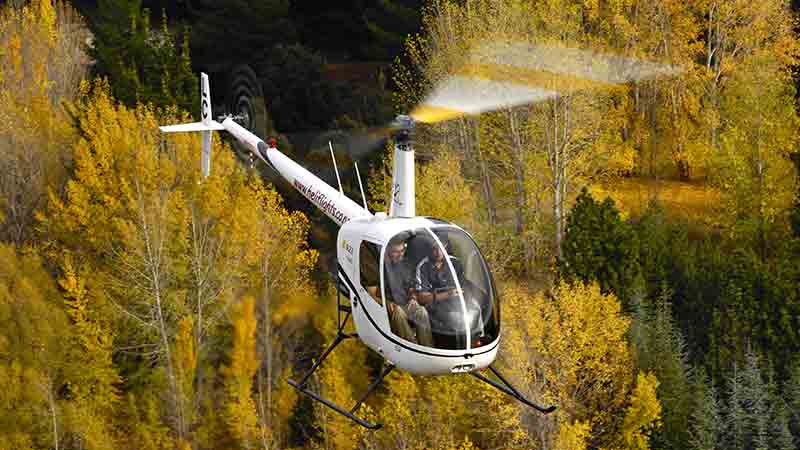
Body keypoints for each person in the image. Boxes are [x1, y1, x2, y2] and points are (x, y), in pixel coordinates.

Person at [384, 239, 433, 346]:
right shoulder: (382, 267)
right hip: (392, 305)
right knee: (398, 313)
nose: (400, 254)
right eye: (396, 252)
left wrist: (413, 297)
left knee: (422, 312)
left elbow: (411, 287)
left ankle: (428, 346)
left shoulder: (406, 264)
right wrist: (388, 303)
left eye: (402, 251)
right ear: (388, 250)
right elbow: (374, 293)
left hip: (406, 303)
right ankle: (413, 346)